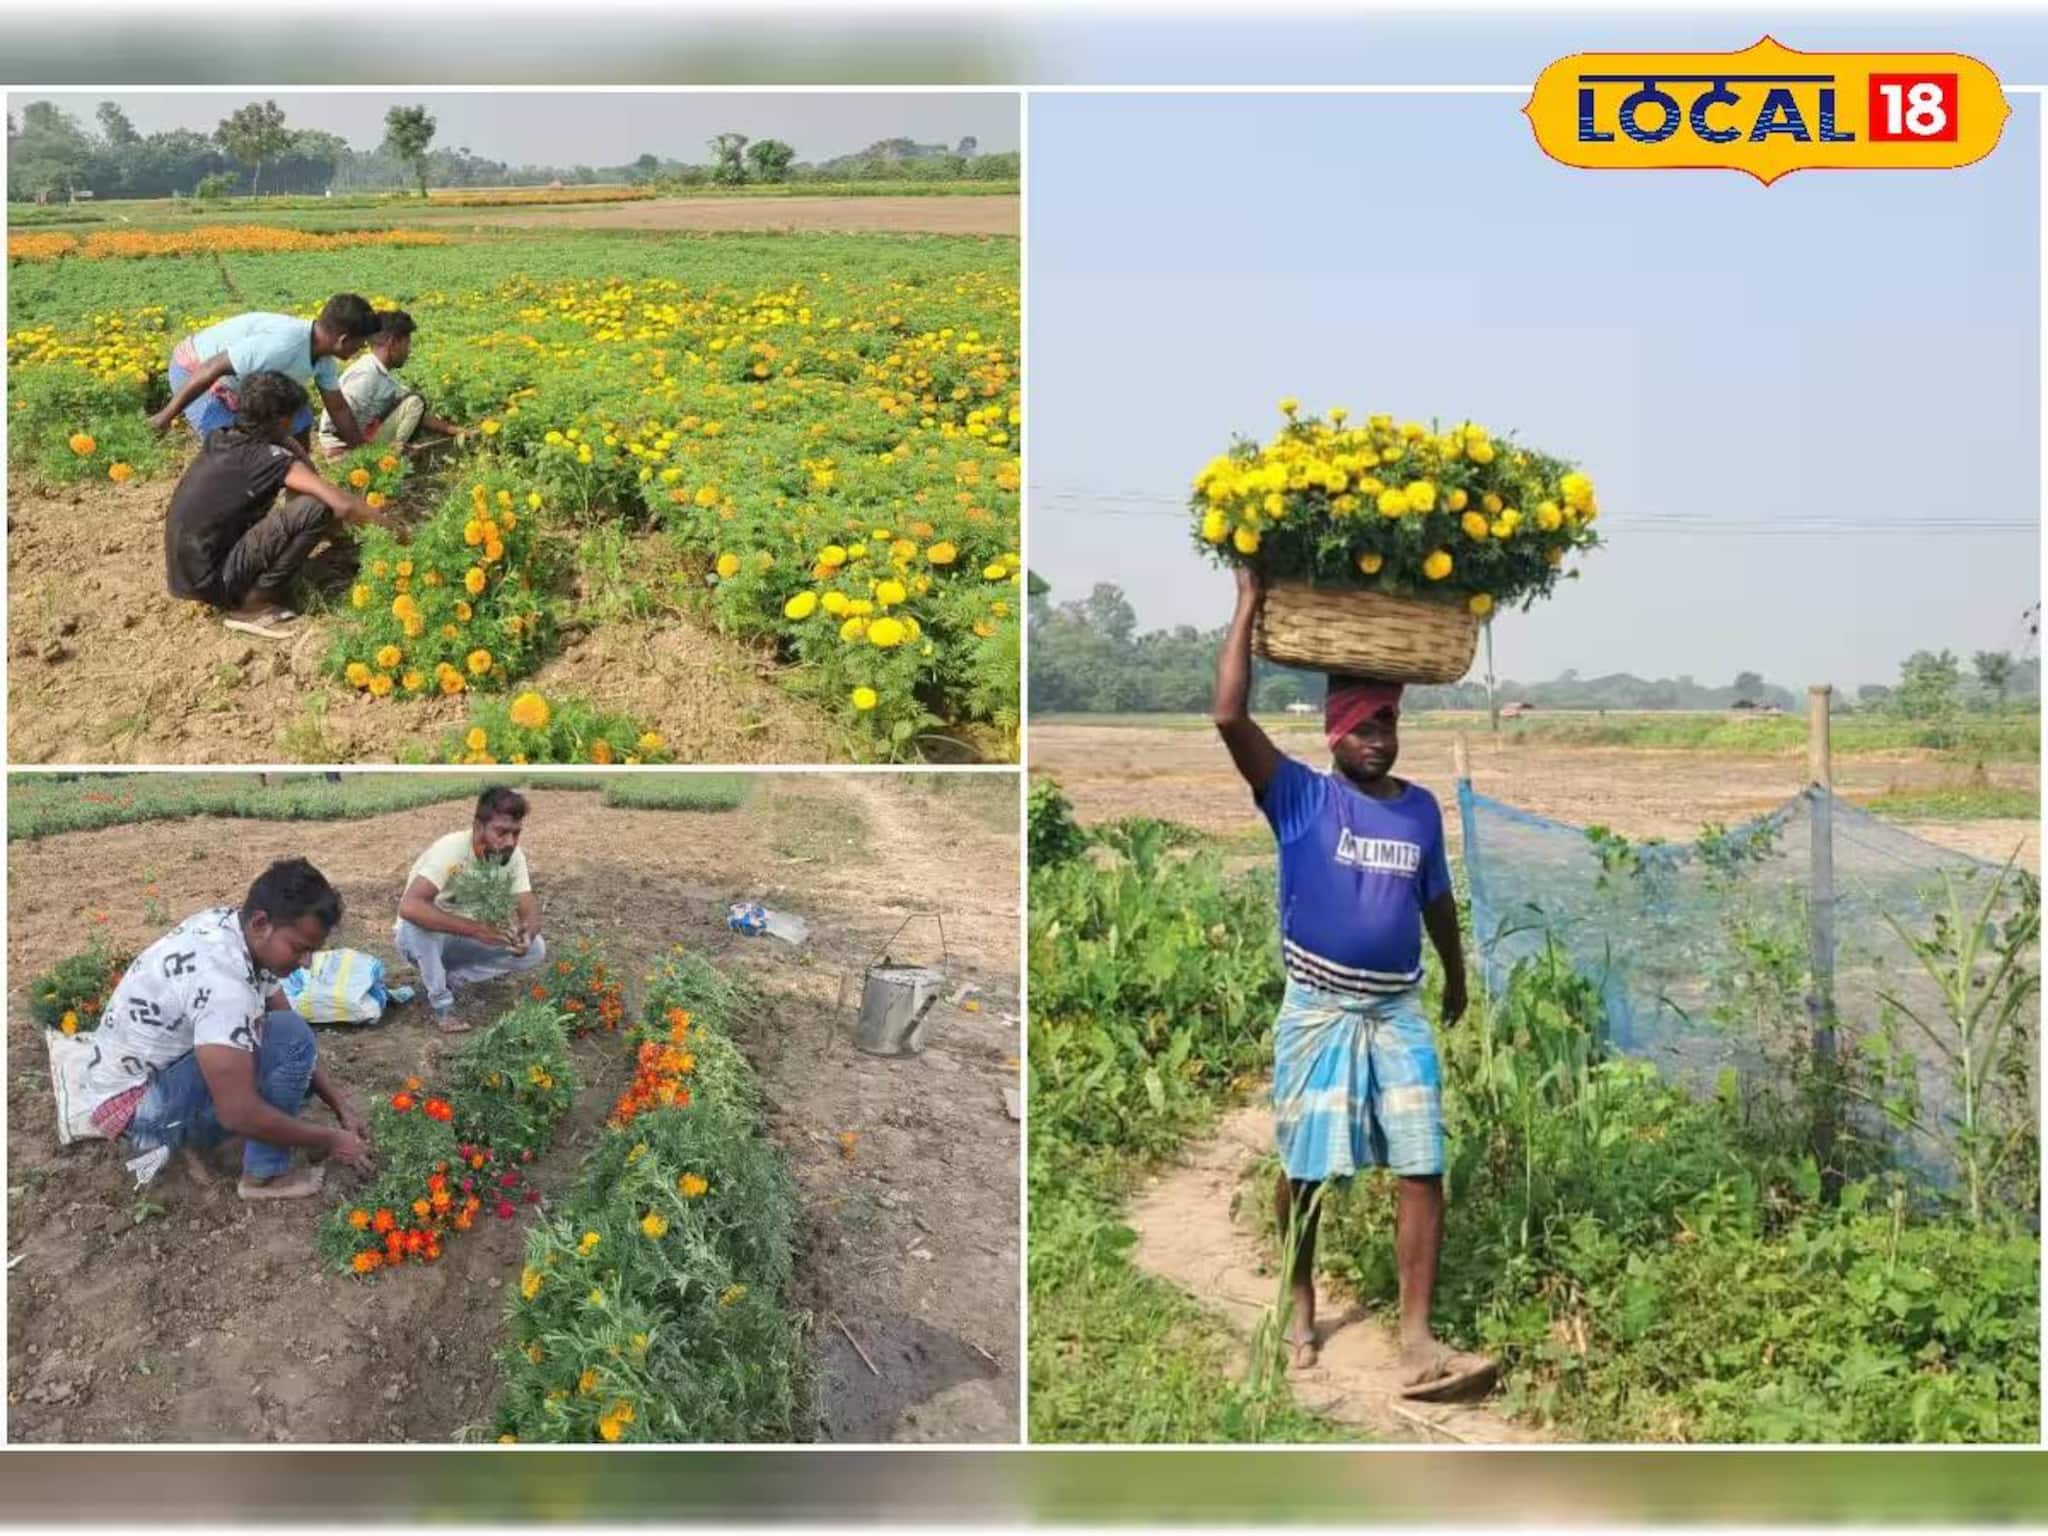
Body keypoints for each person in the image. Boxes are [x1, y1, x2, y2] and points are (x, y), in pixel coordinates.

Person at [1213, 566, 1495, 1402]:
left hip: (1396, 1008)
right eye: (1363, 726)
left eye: (1388, 724)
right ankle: (1299, 1301)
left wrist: (1455, 977)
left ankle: (1415, 1335)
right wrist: (1248, 602)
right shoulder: (1297, 797)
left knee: (1423, 1162)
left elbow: (1436, 900)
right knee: (1306, 1165)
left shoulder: (1418, 811)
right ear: (1333, 734)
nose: (1378, 738)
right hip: (1319, 1010)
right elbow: (1228, 714)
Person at [74, 859, 373, 1201]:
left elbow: (289, 1027)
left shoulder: (233, 927)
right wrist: (331, 1139)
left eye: (312, 951)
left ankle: (221, 1140)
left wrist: (340, 1106)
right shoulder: (224, 986)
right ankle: (263, 1176)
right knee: (288, 1046)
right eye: (300, 948)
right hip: (139, 1113)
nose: (306, 962)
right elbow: (239, 1109)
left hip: (148, 1079)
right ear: (262, 923)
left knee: (295, 1066)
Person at [162, 371, 410, 638]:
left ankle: (240, 586)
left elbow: (299, 467)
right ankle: (252, 604)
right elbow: (341, 504)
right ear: (282, 420)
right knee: (316, 507)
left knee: (308, 504)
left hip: (188, 572)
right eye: (294, 416)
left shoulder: (223, 438)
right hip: (213, 580)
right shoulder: (268, 458)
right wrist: (398, 532)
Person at [395, 787, 548, 1035]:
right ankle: (442, 1005)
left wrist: (526, 935)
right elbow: (410, 906)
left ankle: (454, 980)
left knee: (536, 948)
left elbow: (528, 908)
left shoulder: (513, 857)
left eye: (516, 833)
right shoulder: (451, 849)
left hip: (466, 940)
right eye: (501, 832)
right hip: (424, 943)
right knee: (417, 923)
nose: (509, 841)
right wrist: (477, 930)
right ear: (478, 827)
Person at [152, 293, 379, 453]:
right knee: (232, 448)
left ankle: (296, 494)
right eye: (360, 343)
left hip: (238, 384)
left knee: (299, 418)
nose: (361, 349)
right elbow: (211, 368)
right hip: (196, 371)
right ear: (343, 340)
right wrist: (165, 416)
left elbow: (338, 409)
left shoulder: (323, 358)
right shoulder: (282, 344)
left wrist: (362, 451)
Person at [316, 310, 467, 459]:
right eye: (407, 343)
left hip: (359, 443)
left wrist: (453, 430)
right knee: (415, 401)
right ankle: (392, 459)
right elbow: (334, 425)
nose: (409, 351)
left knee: (412, 402)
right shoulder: (366, 375)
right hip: (343, 451)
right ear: (393, 343)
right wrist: (359, 453)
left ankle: (391, 454)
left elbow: (411, 410)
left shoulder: (380, 373)